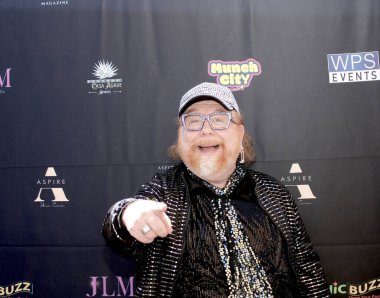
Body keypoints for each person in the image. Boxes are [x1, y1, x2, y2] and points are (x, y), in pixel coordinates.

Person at [102, 82, 331, 297]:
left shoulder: (274, 192)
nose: (206, 130)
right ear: (180, 137)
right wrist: (126, 216)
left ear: (240, 135)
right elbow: (122, 227)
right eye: (193, 121)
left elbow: (307, 267)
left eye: (219, 119)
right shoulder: (163, 192)